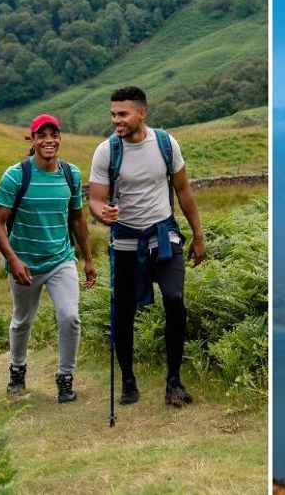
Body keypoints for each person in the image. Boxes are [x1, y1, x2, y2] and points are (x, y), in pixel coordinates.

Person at [88, 86, 206, 407]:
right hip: (125, 241)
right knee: (123, 311)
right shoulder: (106, 152)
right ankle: (128, 380)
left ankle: (173, 381)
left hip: (164, 237)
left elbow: (183, 190)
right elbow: (95, 201)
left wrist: (198, 234)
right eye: (113, 114)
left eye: (123, 114)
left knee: (175, 299)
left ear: (142, 113)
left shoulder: (166, 144)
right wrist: (104, 214)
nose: (116, 120)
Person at [0, 114, 96, 403]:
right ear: (32, 139)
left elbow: (77, 218)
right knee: (22, 321)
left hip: (61, 259)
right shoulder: (16, 175)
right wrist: (13, 260)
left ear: (60, 138)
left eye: (54, 134)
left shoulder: (70, 174)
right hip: (24, 263)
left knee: (70, 317)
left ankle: (65, 377)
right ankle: (17, 369)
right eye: (42, 135)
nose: (49, 140)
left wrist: (87, 259)